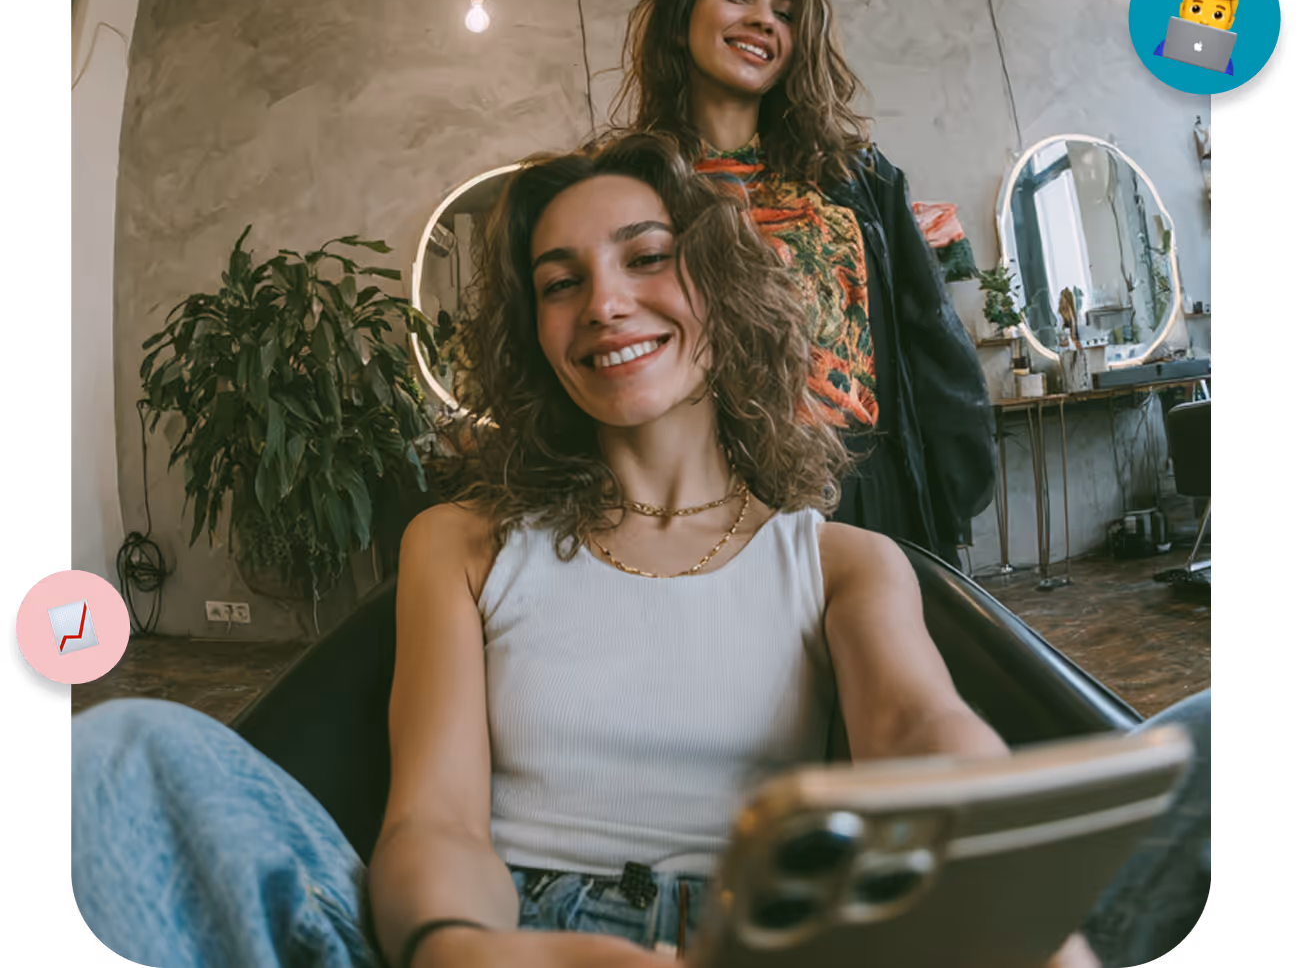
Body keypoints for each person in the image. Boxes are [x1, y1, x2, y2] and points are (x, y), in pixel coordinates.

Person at [71, 136, 1207, 968]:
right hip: (517, 932)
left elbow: (921, 732)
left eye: (645, 258)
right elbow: (433, 819)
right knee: (119, 755)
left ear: (718, 289)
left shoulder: (844, 562)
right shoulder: (458, 546)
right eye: (559, 282)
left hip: (780, 940)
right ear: (535, 332)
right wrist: (475, 951)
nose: (602, 304)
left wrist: (1002, 890)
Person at [610, 0, 996, 570]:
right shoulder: (630, 185)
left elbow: (931, 340)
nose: (762, 19)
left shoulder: (859, 178)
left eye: (784, 13)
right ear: (682, 20)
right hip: (707, 500)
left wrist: (950, 501)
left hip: (866, 490)